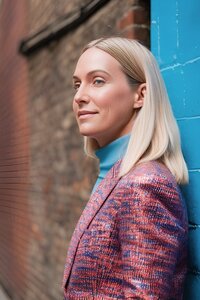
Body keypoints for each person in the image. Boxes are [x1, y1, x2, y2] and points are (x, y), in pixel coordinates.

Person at [62, 37, 188, 299]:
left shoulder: (144, 185)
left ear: (140, 95)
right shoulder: (114, 174)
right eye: (77, 84)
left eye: (97, 81)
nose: (79, 96)